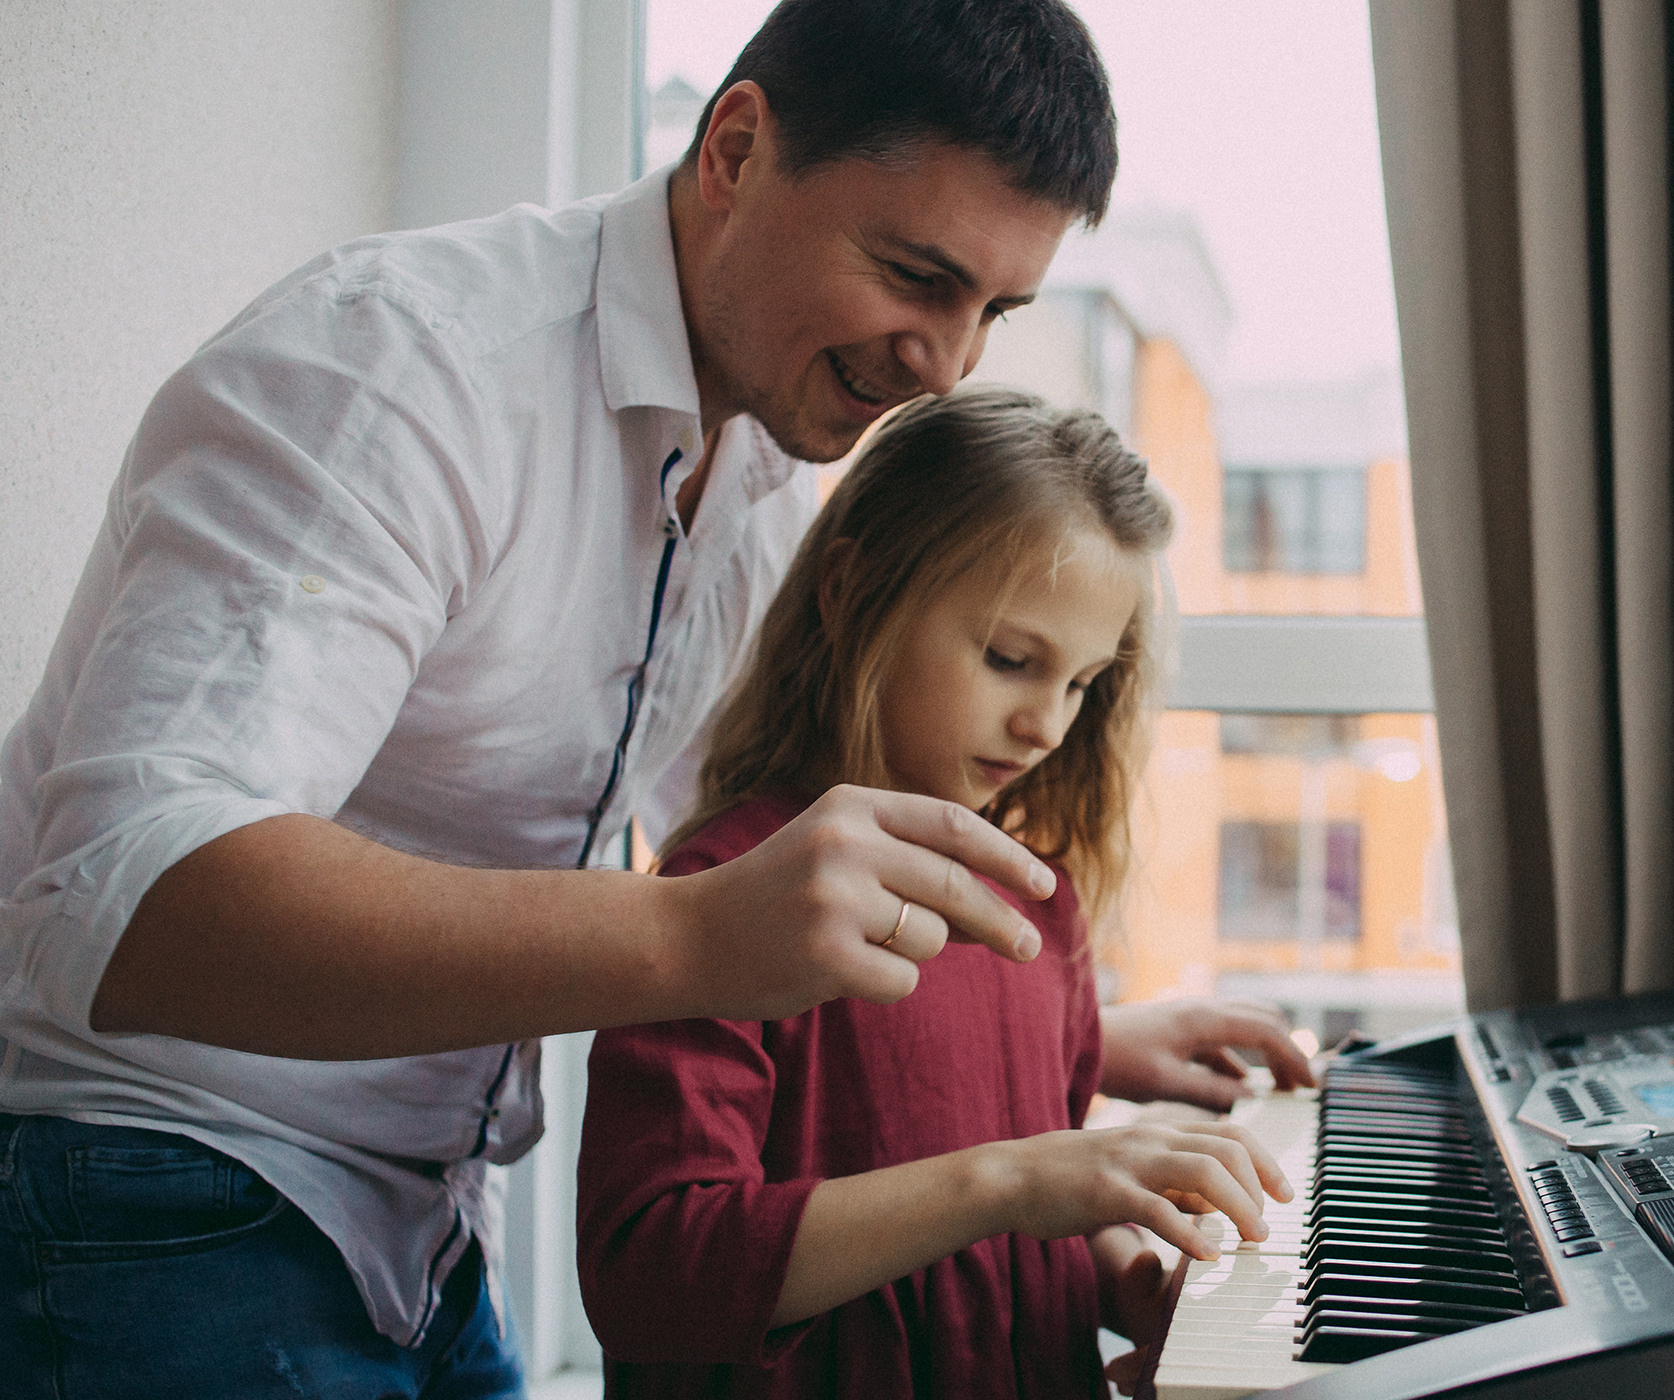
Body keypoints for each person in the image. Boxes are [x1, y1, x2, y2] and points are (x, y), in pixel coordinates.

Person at [0, 0, 1307, 1394]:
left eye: (993, 309)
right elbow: (123, 902)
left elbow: (776, 892)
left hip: (424, 1233)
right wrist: (688, 930)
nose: (947, 364)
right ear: (736, 149)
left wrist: (1068, 1037)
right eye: (913, 274)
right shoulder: (398, 369)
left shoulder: (751, 484)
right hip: (156, 1190)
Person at [578, 387, 1291, 1400]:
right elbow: (651, 1271)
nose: (1048, 722)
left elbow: (1022, 1229)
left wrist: (1134, 1281)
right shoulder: (731, 897)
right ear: (851, 589)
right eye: (1011, 658)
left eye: (1084, 681)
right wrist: (1015, 1174)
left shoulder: (1040, 912)